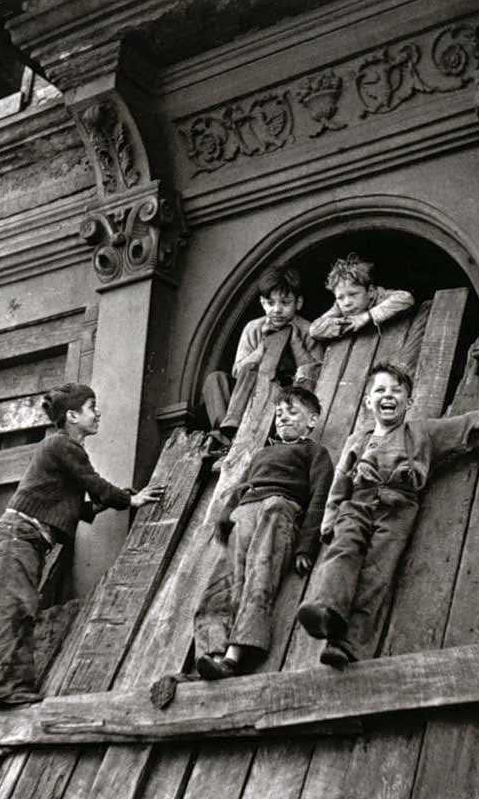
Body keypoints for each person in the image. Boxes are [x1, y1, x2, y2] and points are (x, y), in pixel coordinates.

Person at [298, 362, 479, 668]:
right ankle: (327, 611)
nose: (388, 395)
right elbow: (341, 480)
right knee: (343, 549)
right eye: (380, 390)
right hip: (359, 503)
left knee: (377, 573)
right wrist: (330, 516)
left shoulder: (422, 432)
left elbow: (470, 421)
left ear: (409, 402)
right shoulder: (358, 440)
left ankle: (347, 644)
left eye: (396, 390)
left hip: (397, 508)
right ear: (367, 401)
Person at [0, 383, 164, 709]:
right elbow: (97, 486)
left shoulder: (61, 450)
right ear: (73, 416)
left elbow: (78, 508)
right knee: (16, 608)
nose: (97, 412)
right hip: (19, 538)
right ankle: (7, 689)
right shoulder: (63, 446)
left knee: (2, 610)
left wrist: (114, 499)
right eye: (92, 407)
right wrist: (130, 500)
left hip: (19, 538)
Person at [194, 386, 334, 679]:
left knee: (260, 575)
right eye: (279, 414)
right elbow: (242, 486)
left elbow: (319, 499)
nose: (282, 418)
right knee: (223, 580)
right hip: (246, 511)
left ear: (312, 420)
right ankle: (213, 653)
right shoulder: (263, 452)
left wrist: (305, 546)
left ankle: (235, 655)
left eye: (292, 412)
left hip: (279, 508)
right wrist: (225, 517)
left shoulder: (314, 452)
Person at [202, 266, 322, 452]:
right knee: (215, 379)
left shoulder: (308, 329)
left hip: (282, 400)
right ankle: (227, 433)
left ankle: (253, 433)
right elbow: (237, 370)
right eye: (270, 303)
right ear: (262, 302)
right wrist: (262, 347)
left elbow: (316, 374)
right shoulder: (253, 328)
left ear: (298, 303)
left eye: (285, 302)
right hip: (247, 395)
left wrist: (296, 342)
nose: (277, 309)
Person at [309, 252, 414, 342]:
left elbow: (406, 298)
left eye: (353, 294)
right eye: (340, 297)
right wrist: (345, 325)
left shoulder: (380, 295)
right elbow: (314, 329)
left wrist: (367, 317)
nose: (347, 302)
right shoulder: (339, 307)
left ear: (370, 291)